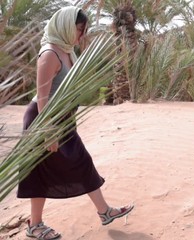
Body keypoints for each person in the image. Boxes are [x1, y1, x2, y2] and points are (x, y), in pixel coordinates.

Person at [18, 6, 134, 240]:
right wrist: (47, 131)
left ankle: (104, 211)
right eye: (79, 29)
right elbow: (42, 97)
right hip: (45, 121)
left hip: (63, 120)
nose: (81, 35)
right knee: (38, 171)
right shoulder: (49, 53)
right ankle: (36, 225)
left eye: (84, 30)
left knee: (81, 161)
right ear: (64, 26)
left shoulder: (66, 50)